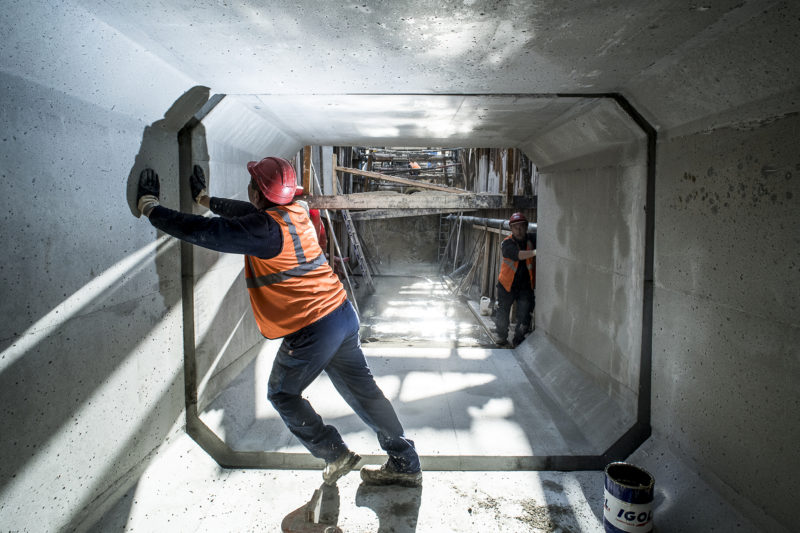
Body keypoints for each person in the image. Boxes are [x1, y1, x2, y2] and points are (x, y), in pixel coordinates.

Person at [135, 157, 421, 487]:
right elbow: (245, 213)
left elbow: (206, 231)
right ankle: (405, 461)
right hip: (341, 314)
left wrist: (151, 208)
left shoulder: (265, 232)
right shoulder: (294, 209)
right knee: (366, 393)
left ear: (258, 193)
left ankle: (334, 454)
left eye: (252, 185)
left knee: (282, 394)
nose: (250, 192)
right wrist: (205, 199)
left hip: (313, 327)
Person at [495, 212, 536, 347]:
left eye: (521, 226)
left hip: (525, 286)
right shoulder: (507, 243)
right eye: (515, 227)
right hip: (507, 285)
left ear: (526, 227)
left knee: (525, 315)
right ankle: (501, 337)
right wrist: (535, 252)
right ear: (511, 229)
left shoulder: (532, 240)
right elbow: (517, 255)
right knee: (503, 312)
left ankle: (518, 340)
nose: (518, 230)